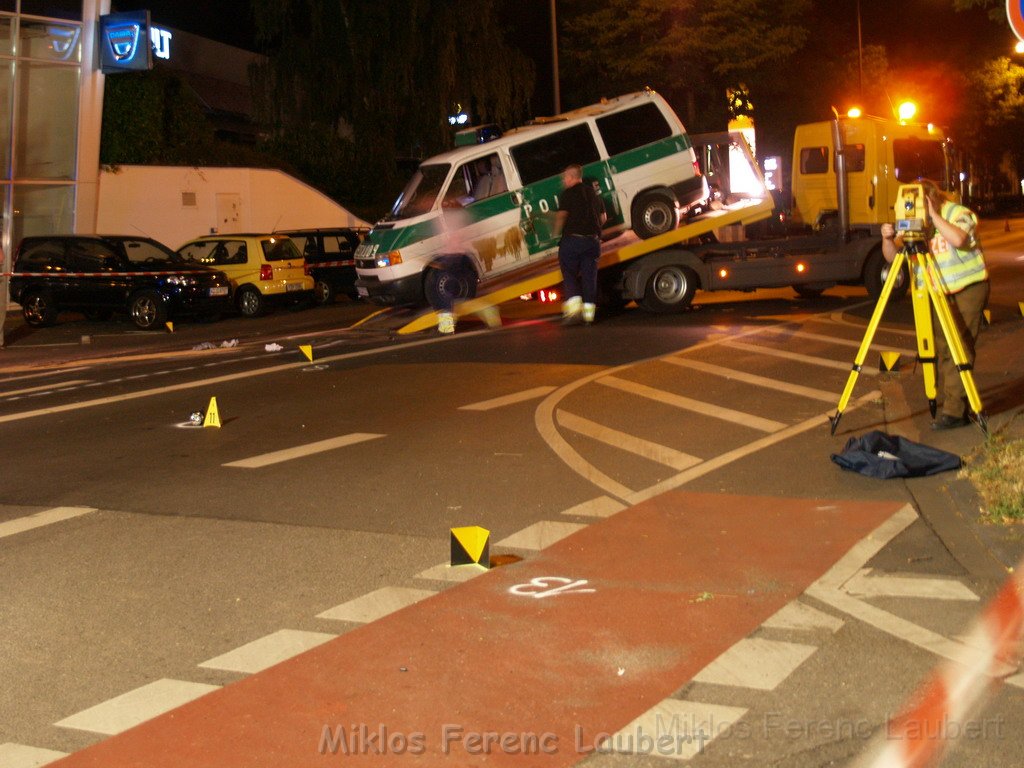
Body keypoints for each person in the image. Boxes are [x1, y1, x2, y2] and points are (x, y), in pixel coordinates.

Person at [880, 180, 989, 430]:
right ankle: (958, 401)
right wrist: (887, 238)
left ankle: (955, 410)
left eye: (921, 203)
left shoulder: (957, 213)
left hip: (968, 288)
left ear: (932, 199)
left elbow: (959, 239)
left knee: (958, 346)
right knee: (944, 348)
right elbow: (893, 256)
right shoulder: (913, 217)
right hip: (939, 292)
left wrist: (932, 215)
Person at [554, 164, 606, 325]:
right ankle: (589, 316)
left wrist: (555, 232)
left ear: (571, 177)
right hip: (593, 242)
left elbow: (562, 216)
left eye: (564, 177)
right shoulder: (592, 193)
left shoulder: (568, 194)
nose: (563, 180)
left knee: (569, 271)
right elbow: (603, 217)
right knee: (590, 277)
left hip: (573, 241)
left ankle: (575, 310)